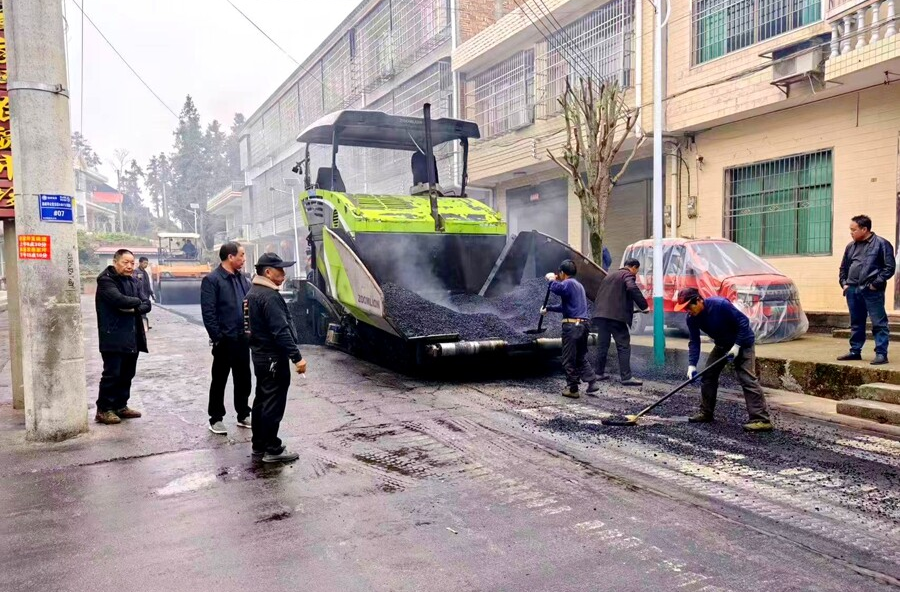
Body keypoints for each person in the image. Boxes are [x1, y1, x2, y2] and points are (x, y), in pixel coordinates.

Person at [675, 288, 772, 432]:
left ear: (699, 300)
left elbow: (744, 322)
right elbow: (694, 341)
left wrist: (737, 345)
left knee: (747, 379)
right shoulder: (692, 318)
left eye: (689, 306)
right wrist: (692, 365)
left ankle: (761, 419)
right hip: (722, 345)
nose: (688, 311)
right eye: (685, 309)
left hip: (743, 343)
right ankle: (706, 413)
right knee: (708, 376)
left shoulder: (720, 305)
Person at [245, 252, 307, 463]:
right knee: (273, 404)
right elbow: (280, 331)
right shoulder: (269, 296)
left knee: (262, 401)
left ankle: (259, 445)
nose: (284, 273)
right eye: (280, 269)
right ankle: (272, 448)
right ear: (268, 272)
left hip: (260, 356)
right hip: (273, 358)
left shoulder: (253, 292)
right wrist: (297, 358)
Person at [94, 249, 152, 425]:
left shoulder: (133, 280)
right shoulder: (106, 280)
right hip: (113, 334)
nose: (129, 266)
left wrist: (133, 307)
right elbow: (118, 300)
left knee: (127, 373)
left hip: (132, 335)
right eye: (125, 262)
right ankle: (104, 409)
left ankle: (120, 405)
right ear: (115, 262)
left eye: (131, 263)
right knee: (112, 373)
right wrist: (136, 303)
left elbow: (147, 303)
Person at [201, 241, 252, 435]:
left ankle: (243, 414)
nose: (244, 259)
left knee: (244, 378)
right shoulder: (212, 280)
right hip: (224, 340)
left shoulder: (242, 279)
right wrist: (218, 338)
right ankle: (216, 418)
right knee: (220, 379)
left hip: (242, 339)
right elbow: (209, 313)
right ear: (230, 257)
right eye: (241, 255)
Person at [838, 215, 896, 365]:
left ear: (864, 229)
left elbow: (889, 268)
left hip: (871, 290)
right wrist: (844, 283)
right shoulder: (851, 246)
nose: (851, 232)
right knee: (856, 322)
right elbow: (844, 267)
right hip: (852, 289)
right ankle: (855, 351)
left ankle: (882, 354)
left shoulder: (882, 244)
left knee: (879, 322)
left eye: (853, 230)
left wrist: (874, 284)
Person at [541, 259, 598, 399]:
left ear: (562, 272)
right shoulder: (578, 286)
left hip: (572, 327)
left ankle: (572, 388)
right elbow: (566, 307)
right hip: (583, 325)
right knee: (580, 356)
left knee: (568, 358)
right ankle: (592, 381)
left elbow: (557, 289)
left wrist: (550, 280)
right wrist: (548, 309)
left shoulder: (567, 283)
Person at [591, 258, 648, 386]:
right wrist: (644, 306)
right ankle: (626, 377)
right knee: (623, 346)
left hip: (601, 315)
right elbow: (632, 288)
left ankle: (598, 373)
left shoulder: (609, 276)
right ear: (633, 267)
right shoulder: (627, 274)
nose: (635, 274)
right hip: (616, 317)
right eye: (636, 271)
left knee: (602, 345)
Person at [133, 256, 154, 331]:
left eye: (147, 263)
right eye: (145, 263)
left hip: (146, 295)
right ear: (140, 263)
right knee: (140, 310)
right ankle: (140, 326)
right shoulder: (136, 272)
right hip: (140, 295)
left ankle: (144, 325)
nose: (146, 265)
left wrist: (151, 293)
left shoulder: (145, 273)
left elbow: (147, 284)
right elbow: (136, 283)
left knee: (144, 310)